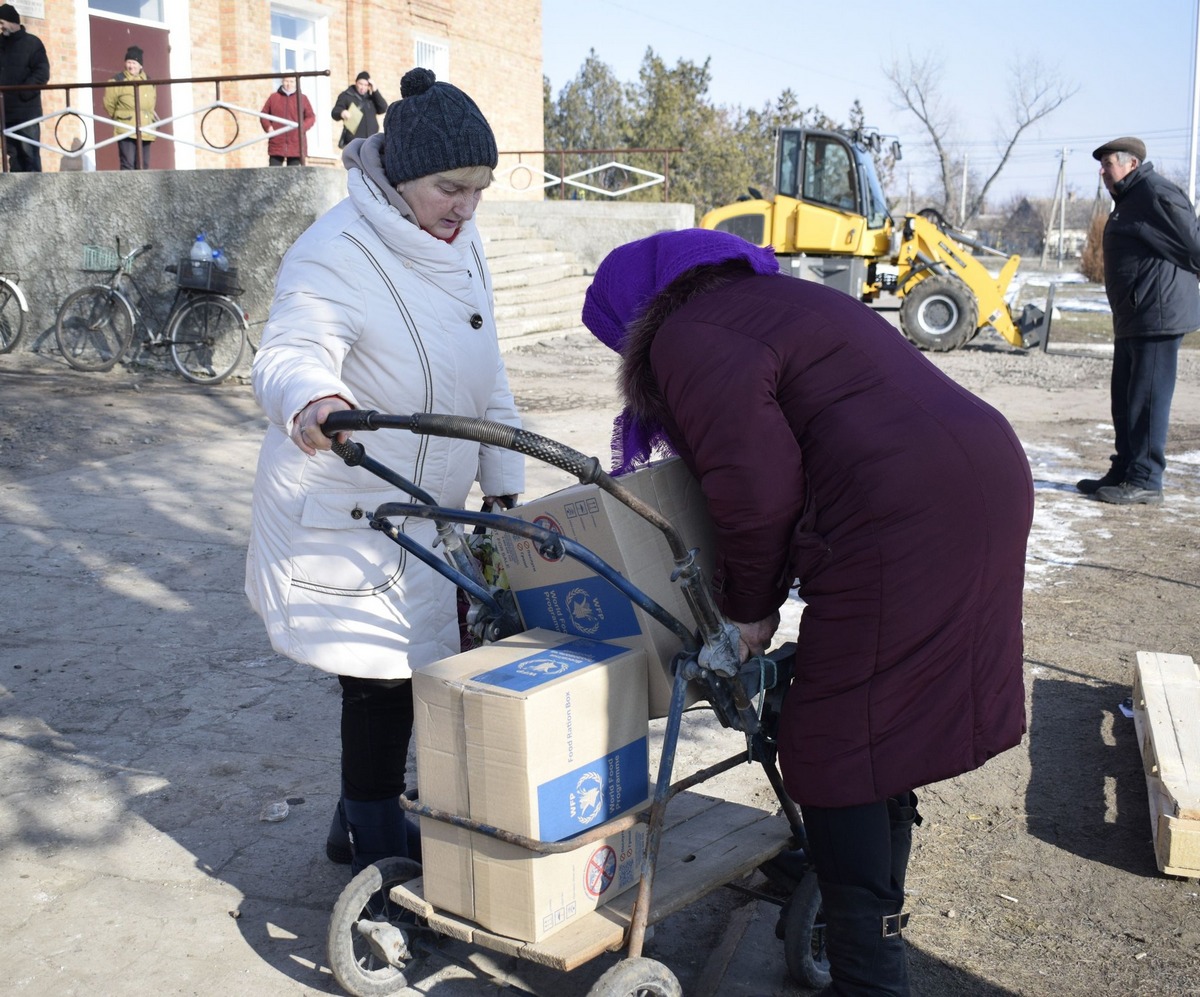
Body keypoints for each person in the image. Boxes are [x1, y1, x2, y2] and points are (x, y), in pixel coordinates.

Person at [581, 229, 1032, 996]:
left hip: (904, 515)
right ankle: (859, 907)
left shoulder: (690, 339)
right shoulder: (775, 302)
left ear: (637, 315)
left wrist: (748, 612)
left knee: (838, 738)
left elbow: (753, 489)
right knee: (878, 720)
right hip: (978, 478)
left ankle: (869, 968)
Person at [245, 67, 524, 876]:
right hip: (348, 491)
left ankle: (352, 818)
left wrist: (503, 480)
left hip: (423, 504)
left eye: (479, 188)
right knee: (379, 676)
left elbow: (486, 372)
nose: (465, 206)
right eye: (449, 186)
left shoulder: (461, 243)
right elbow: (290, 351)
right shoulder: (338, 248)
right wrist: (316, 401)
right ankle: (373, 838)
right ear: (401, 174)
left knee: (417, 665)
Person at [1076, 136, 1200, 506]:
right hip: (1134, 316)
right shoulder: (1131, 198)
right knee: (1125, 399)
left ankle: (1146, 479)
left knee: (1147, 400)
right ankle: (1126, 467)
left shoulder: (1155, 193)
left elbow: (1194, 245)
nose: (1102, 172)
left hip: (1156, 316)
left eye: (1108, 164)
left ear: (1130, 164)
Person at [0, 4, 51, 173]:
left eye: (2, 23)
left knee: (30, 155)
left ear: (12, 22)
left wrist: (23, 92)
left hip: (27, 112)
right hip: (5, 112)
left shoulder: (32, 43)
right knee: (13, 157)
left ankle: (36, 198)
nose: (0, 27)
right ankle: (17, 199)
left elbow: (42, 73)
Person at [103, 45, 156, 170]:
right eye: (128, 62)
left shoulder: (149, 81)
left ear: (140, 65)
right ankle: (127, 190)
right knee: (128, 164)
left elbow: (152, 102)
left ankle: (142, 189)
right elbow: (108, 103)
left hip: (145, 128)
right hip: (126, 128)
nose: (131, 66)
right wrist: (121, 117)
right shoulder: (117, 80)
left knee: (143, 165)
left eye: (134, 63)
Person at [259, 75, 315, 166]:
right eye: (286, 81)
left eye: (291, 81)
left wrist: (302, 128)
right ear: (282, 82)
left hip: (296, 143)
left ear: (295, 83)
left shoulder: (302, 98)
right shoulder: (273, 97)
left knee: (293, 175)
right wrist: (268, 127)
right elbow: (263, 115)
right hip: (277, 142)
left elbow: (311, 117)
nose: (289, 84)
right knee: (274, 174)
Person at [331, 70, 386, 149]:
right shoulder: (346, 95)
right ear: (356, 83)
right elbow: (334, 112)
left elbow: (383, 108)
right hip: (354, 141)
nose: (363, 87)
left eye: (366, 85)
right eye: (360, 84)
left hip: (371, 141)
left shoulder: (371, 98)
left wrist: (375, 90)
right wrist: (342, 112)